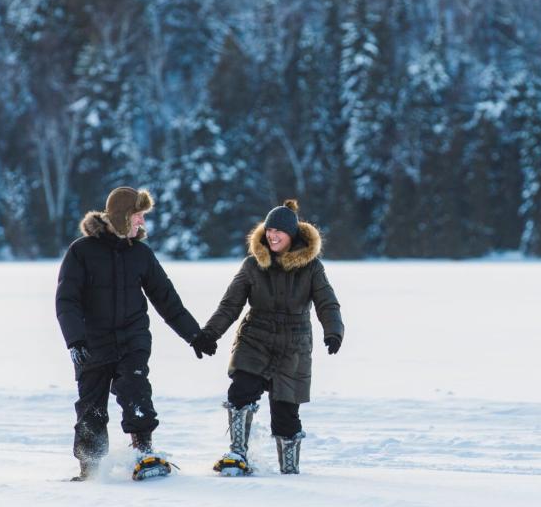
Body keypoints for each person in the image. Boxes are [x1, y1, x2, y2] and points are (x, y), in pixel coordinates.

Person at [55, 186, 216, 481]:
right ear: (121, 217)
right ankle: (90, 469)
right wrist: (75, 340)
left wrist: (195, 335)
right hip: (92, 343)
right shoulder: (81, 252)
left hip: (132, 339)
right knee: (91, 409)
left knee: (136, 390)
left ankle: (144, 454)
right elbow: (67, 300)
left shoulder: (140, 253)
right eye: (138, 216)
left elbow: (167, 299)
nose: (142, 222)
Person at [193, 199, 344, 476]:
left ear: (293, 235)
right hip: (255, 339)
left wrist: (334, 331)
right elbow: (230, 305)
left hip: (294, 346)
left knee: (286, 413)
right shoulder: (253, 265)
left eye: (279, 232)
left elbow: (327, 303)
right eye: (269, 230)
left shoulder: (311, 268)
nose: (272, 235)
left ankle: (290, 471)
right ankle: (237, 453)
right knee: (241, 391)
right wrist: (209, 334)